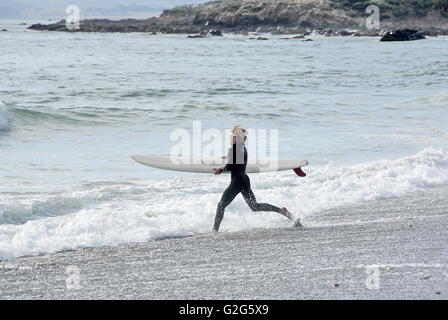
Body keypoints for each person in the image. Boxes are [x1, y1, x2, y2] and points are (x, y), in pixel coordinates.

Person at [212, 126, 302, 232]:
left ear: (237, 139)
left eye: (232, 136)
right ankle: (282, 211)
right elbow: (237, 161)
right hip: (244, 180)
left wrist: (221, 169)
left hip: (236, 182)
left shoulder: (235, 150)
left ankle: (214, 231)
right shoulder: (242, 148)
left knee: (221, 205)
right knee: (255, 206)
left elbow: (230, 166)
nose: (231, 138)